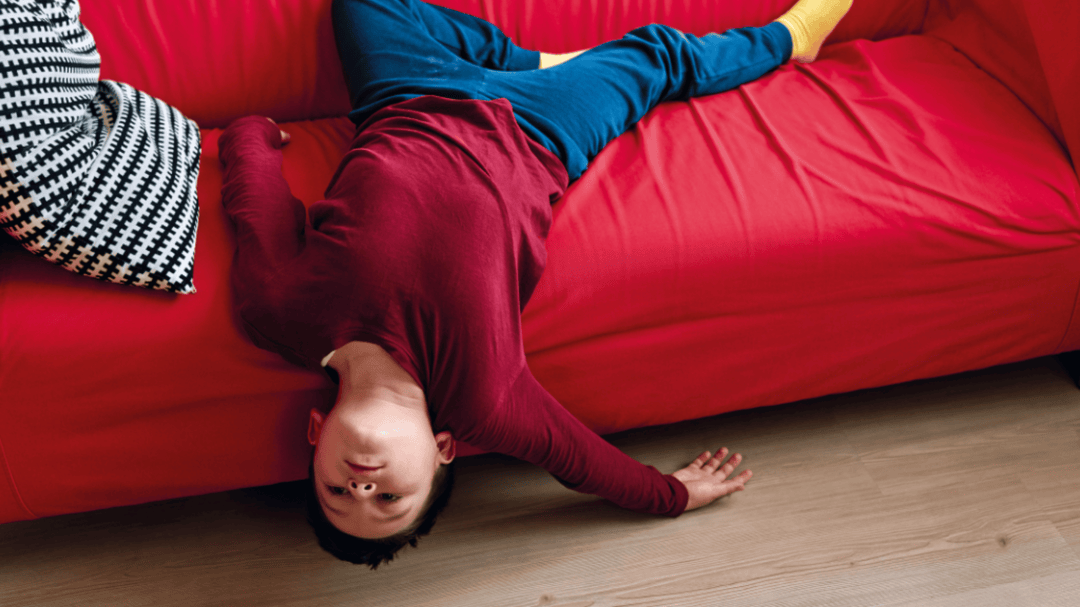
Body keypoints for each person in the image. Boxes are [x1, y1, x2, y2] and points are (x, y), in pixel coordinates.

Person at [218, 0, 853, 568]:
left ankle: (528, 59)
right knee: (655, 53)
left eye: (336, 491)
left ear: (314, 434)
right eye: (390, 497)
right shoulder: (484, 396)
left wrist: (250, 134)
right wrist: (674, 494)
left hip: (404, 97)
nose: (361, 486)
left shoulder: (282, 313)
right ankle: (790, 39)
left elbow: (256, 206)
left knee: (363, 4)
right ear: (443, 451)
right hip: (539, 129)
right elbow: (579, 461)